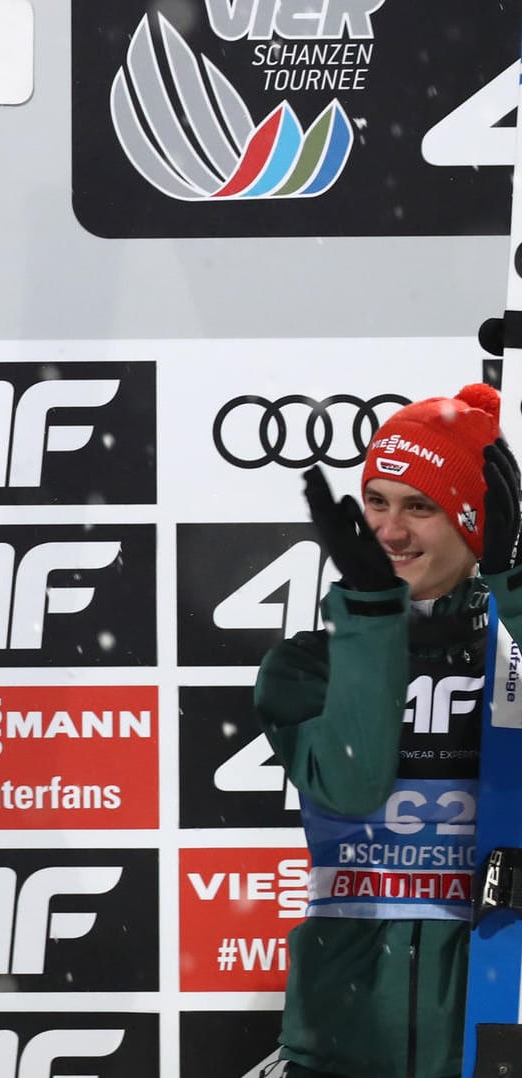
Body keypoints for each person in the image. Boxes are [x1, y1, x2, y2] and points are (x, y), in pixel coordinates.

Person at [255, 383, 522, 1078]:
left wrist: (511, 583)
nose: (388, 532)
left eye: (419, 507)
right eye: (375, 501)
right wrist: (370, 615)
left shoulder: (511, 658)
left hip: (496, 1020)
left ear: (474, 522)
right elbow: (350, 783)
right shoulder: (304, 665)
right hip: (343, 1039)